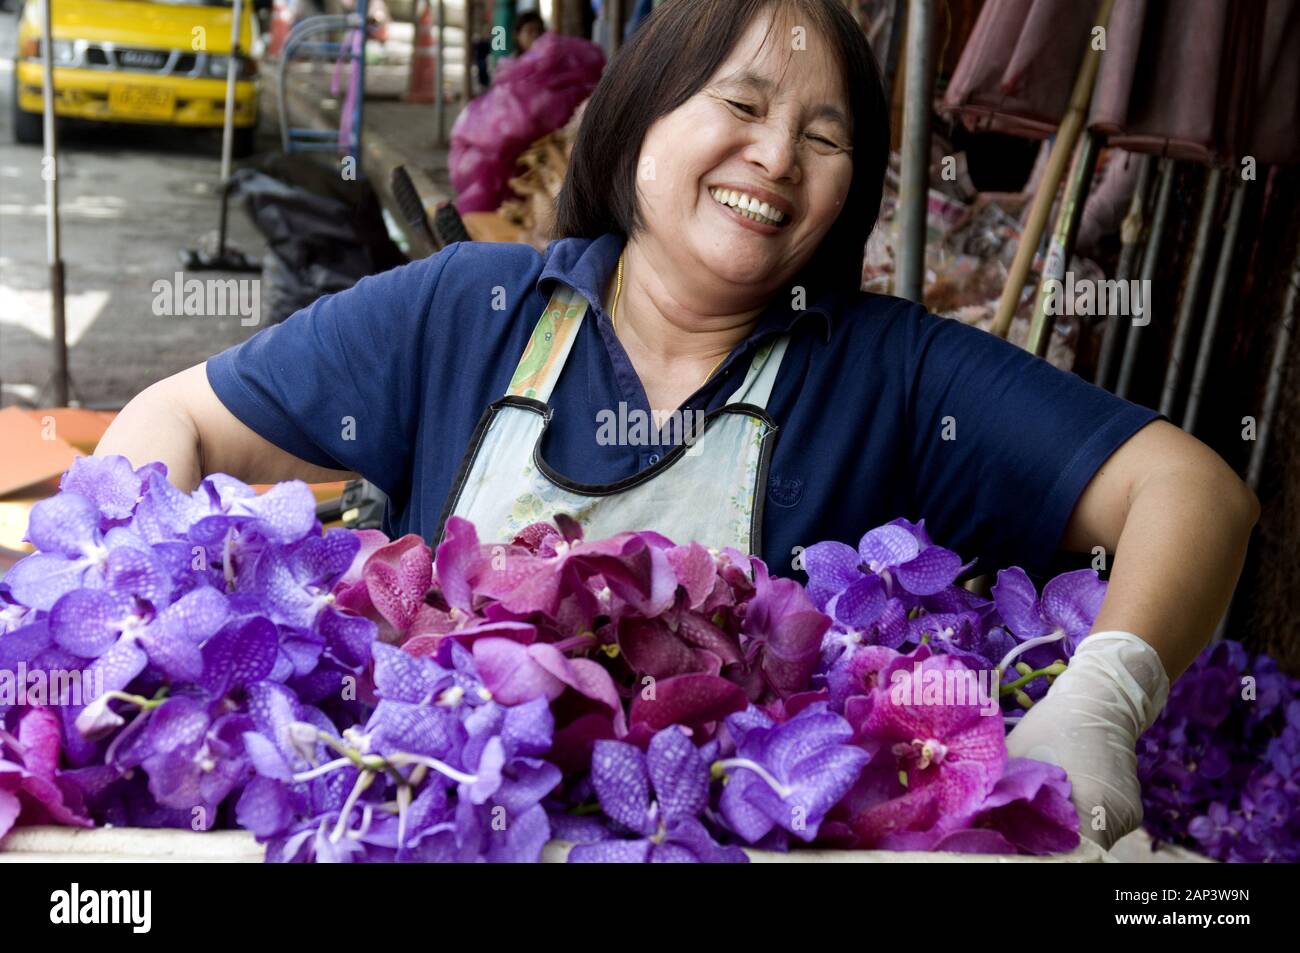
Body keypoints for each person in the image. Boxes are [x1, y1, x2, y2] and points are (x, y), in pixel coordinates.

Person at [98, 0, 1259, 850]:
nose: (774, 156)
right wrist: (134, 624)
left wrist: (1102, 692)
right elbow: (178, 415)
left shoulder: (892, 369)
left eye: (824, 135)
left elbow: (1192, 492)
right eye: (742, 106)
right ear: (640, 120)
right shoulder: (468, 310)